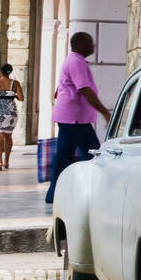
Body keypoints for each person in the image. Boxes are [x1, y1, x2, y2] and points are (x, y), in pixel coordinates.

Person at [47, 32, 111, 203]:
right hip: (73, 119)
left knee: (88, 155)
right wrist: (104, 111)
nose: (93, 45)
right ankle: (55, 193)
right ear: (80, 44)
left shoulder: (77, 61)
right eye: (90, 42)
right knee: (76, 155)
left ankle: (91, 190)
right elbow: (84, 89)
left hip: (77, 119)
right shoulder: (76, 62)